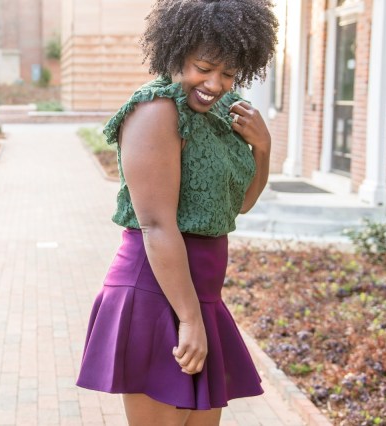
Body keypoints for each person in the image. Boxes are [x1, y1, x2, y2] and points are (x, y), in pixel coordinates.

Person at [76, 0, 279, 424]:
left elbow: (239, 204)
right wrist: (188, 319)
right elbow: (155, 225)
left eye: (229, 73)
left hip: (200, 294)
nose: (215, 83)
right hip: (156, 294)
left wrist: (262, 148)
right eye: (204, 67)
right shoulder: (155, 110)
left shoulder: (222, 112)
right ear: (175, 53)